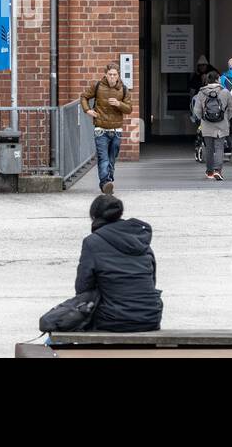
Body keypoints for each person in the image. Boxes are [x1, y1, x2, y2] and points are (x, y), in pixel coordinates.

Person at [75, 193, 162, 332]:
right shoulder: (140, 239)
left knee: (66, 321)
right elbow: (152, 280)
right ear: (119, 214)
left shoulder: (92, 242)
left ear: (94, 216)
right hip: (150, 317)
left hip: (113, 319)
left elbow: (82, 287)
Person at [79, 63, 132, 193]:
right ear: (105, 75)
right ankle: (106, 183)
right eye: (110, 74)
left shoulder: (124, 89)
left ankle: (107, 181)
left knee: (112, 160)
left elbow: (129, 109)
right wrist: (88, 110)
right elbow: (84, 97)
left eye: (115, 75)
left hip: (116, 131)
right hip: (100, 130)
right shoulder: (97, 86)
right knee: (104, 158)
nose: (112, 77)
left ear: (118, 75)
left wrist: (119, 104)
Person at [191, 71, 232, 181]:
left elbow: (196, 110)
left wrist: (203, 118)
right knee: (219, 147)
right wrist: (226, 118)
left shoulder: (201, 93)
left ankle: (210, 171)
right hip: (222, 124)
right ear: (218, 79)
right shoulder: (225, 92)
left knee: (209, 148)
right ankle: (218, 170)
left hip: (206, 125)